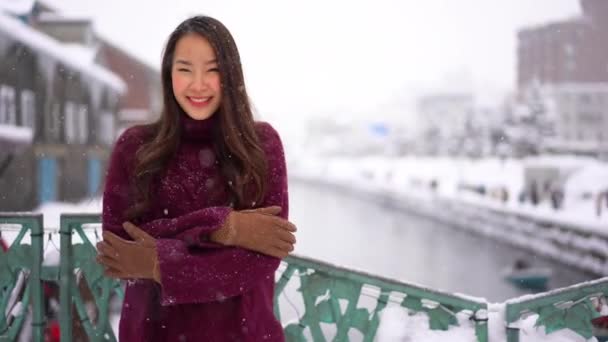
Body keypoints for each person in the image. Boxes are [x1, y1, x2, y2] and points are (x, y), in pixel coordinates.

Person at [95, 15, 297, 341]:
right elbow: (119, 249)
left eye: (213, 70)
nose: (198, 84)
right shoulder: (135, 146)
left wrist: (159, 263)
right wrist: (224, 228)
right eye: (185, 69)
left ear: (230, 76)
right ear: (169, 75)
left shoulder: (261, 145)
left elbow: (263, 257)